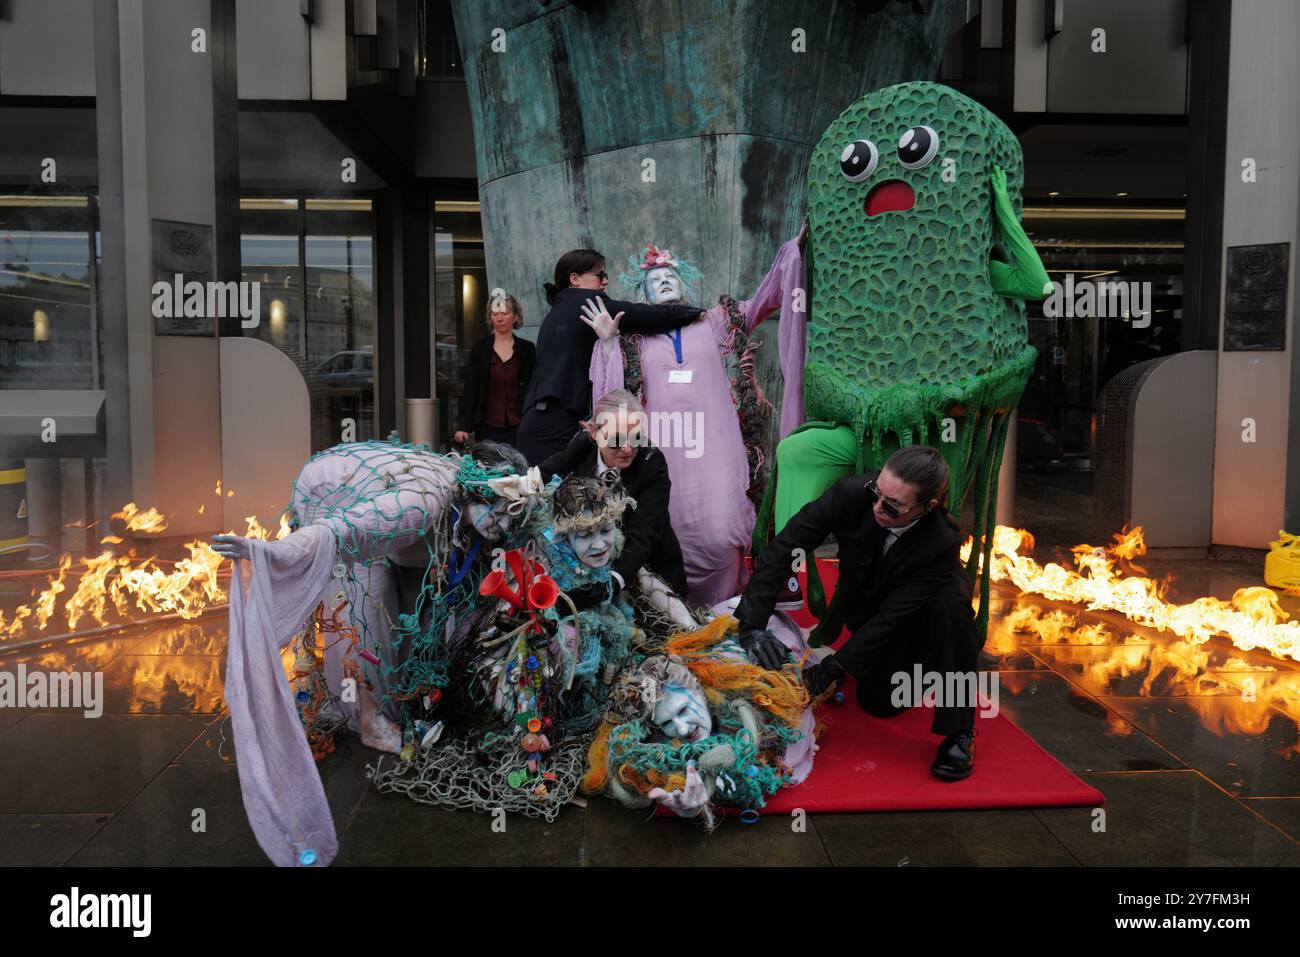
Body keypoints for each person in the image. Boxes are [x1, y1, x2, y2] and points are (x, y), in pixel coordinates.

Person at [732, 445, 982, 782]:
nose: (877, 507)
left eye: (892, 507)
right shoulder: (853, 492)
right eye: (877, 493)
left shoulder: (941, 541)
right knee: (881, 702)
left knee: (951, 611)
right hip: (870, 596)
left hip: (925, 604)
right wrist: (750, 624)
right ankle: (918, 665)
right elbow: (786, 545)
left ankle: (960, 731)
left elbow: (891, 618)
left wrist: (833, 668)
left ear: (927, 507)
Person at [588, 232, 807, 608]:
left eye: (670, 275)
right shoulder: (634, 340)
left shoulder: (717, 321)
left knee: (721, 527)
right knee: (670, 525)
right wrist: (608, 341)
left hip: (716, 447)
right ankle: (677, 611)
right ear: (645, 294)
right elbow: (611, 398)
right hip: (664, 447)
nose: (664, 281)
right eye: (655, 280)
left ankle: (724, 609)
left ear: (684, 281)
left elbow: (765, 302)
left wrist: (791, 252)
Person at [516, 248, 706, 465]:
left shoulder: (560, 308)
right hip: (553, 424)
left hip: (540, 420)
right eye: (600, 275)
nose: (605, 281)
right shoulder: (586, 303)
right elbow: (641, 315)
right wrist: (694, 313)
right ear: (575, 279)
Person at [538, 388, 688, 600]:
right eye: (617, 440)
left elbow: (644, 532)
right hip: (589, 568)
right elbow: (545, 473)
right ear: (593, 433)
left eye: (636, 438)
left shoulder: (651, 462)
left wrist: (613, 581)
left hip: (649, 569)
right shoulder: (582, 446)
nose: (627, 449)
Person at [454, 293, 535, 449]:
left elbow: (533, 387)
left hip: (519, 425)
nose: (499, 318)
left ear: (516, 317)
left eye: (504, 313)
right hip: (486, 426)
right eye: (494, 314)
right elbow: (471, 388)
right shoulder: (480, 348)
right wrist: (464, 426)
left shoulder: (528, 349)